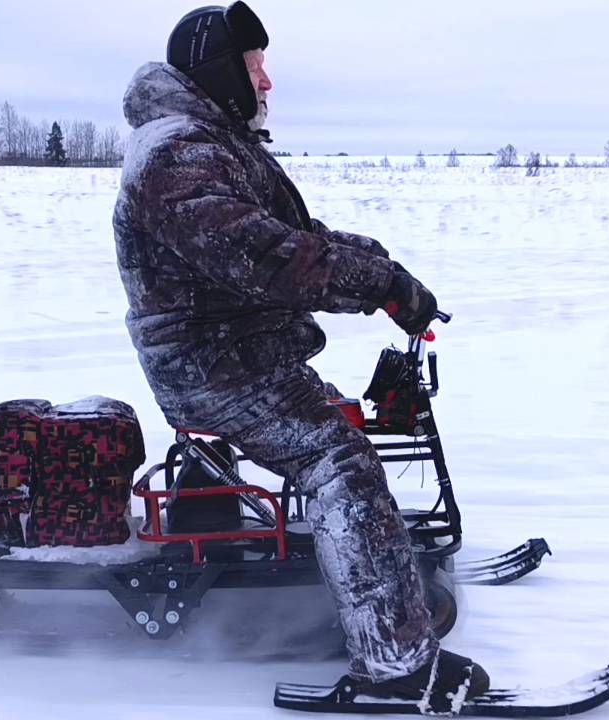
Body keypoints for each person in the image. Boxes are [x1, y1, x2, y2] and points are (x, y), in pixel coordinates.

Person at [112, 2, 488, 712]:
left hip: (239, 354)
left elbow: (294, 232)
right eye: (256, 67)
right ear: (223, 74)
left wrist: (381, 268)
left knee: (340, 435)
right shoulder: (177, 156)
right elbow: (267, 258)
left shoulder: (205, 142)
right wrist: (379, 285)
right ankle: (396, 667)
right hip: (215, 370)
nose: (268, 82)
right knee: (339, 460)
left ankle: (375, 580)